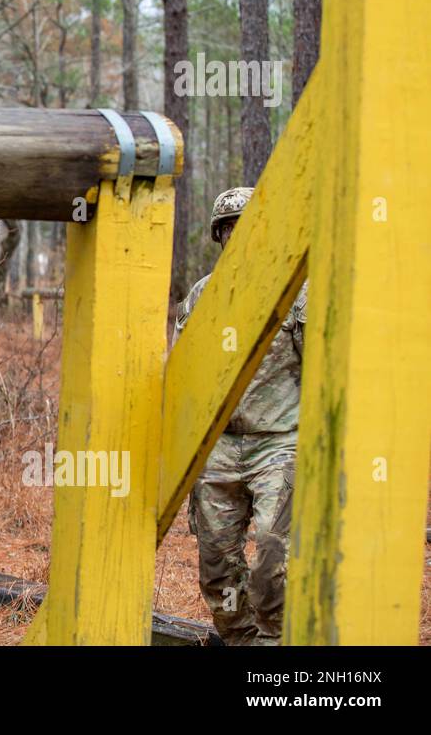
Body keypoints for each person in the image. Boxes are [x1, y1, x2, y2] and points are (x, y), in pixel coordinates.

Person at [173, 187, 307, 644]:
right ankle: (243, 642)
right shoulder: (201, 297)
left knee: (273, 558)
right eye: (228, 229)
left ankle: (278, 642)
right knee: (217, 570)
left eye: (246, 227)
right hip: (220, 446)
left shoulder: (297, 292)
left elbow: (325, 370)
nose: (238, 237)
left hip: (281, 440)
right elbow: (183, 374)